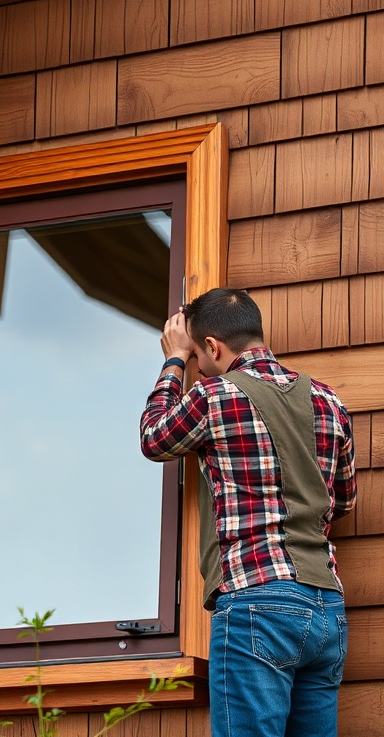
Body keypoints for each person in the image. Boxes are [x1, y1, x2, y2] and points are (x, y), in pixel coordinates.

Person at [139, 287, 356, 737]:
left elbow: (155, 437)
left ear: (213, 347)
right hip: (326, 607)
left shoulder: (214, 396)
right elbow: (345, 500)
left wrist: (174, 359)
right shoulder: (329, 401)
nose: (199, 366)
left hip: (257, 599)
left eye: (199, 356)